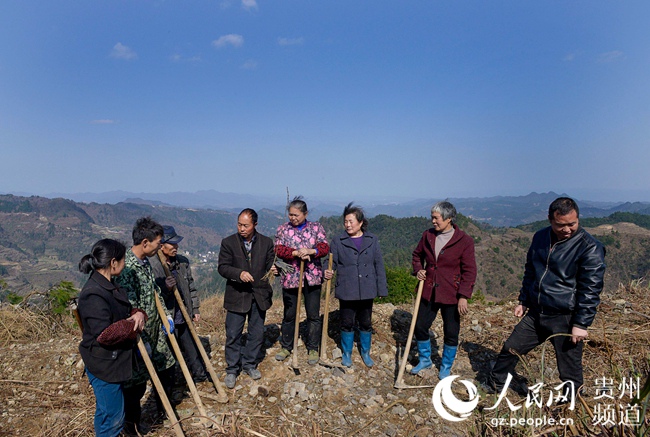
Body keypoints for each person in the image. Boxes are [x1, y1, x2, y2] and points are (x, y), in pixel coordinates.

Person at [487, 197, 606, 397]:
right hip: (537, 312)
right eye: (561, 225)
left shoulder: (589, 247)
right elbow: (531, 271)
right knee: (511, 348)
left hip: (565, 317)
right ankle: (496, 384)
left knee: (569, 369)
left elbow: (590, 289)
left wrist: (581, 323)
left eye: (572, 224)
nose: (567, 229)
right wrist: (523, 300)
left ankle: (570, 404)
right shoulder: (541, 237)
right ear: (550, 220)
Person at [78, 239, 147, 437]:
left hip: (115, 362)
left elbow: (124, 311)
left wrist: (138, 313)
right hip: (104, 365)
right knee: (112, 418)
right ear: (114, 262)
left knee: (111, 411)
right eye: (124, 260)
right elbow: (105, 334)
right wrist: (133, 322)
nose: (125, 264)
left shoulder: (110, 285)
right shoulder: (93, 294)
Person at [117, 217, 176, 435]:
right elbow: (129, 305)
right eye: (157, 243)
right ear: (144, 242)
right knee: (135, 386)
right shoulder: (128, 268)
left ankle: (165, 412)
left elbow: (154, 292)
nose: (160, 247)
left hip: (154, 331)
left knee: (167, 368)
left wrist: (166, 316)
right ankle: (130, 427)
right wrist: (137, 336)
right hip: (138, 337)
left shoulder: (146, 262)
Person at [411, 201, 477, 379]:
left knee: (451, 331)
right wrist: (419, 270)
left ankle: (446, 365)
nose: (432, 221)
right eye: (432, 217)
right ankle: (425, 359)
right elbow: (417, 255)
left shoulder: (464, 241)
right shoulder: (428, 236)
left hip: (452, 293)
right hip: (429, 290)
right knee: (420, 326)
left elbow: (469, 270)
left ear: (448, 219)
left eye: (436, 218)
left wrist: (464, 295)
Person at [324, 203, 388, 368]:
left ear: (360, 223)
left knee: (366, 322)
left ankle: (365, 352)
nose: (348, 225)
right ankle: (346, 354)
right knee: (347, 322)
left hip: (367, 288)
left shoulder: (372, 240)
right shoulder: (338, 241)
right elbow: (330, 261)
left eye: (351, 221)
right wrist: (327, 270)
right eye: (346, 221)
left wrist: (381, 288)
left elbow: (378, 265)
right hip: (347, 287)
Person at [218, 209, 276, 388]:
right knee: (233, 333)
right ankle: (232, 369)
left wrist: (275, 270)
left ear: (255, 225)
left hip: (259, 294)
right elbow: (223, 267)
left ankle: (249, 364)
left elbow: (270, 265)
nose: (241, 228)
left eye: (246, 225)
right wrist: (239, 273)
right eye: (239, 225)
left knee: (256, 333)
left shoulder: (266, 243)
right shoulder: (229, 243)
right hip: (237, 294)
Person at [274, 196, 330, 365]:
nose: (293, 218)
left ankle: (313, 348)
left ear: (305, 214)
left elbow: (324, 246)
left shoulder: (316, 228)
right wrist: (295, 253)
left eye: (296, 215)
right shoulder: (283, 230)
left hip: (312, 277)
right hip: (291, 277)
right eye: (290, 215)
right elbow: (278, 248)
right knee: (290, 314)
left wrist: (311, 251)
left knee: (313, 314)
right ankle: (286, 346)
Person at [149, 225, 208, 383]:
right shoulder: (153, 267)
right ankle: (170, 383)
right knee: (169, 352)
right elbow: (153, 295)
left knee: (191, 347)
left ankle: (200, 375)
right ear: (162, 246)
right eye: (172, 244)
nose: (176, 247)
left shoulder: (182, 263)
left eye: (176, 244)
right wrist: (166, 288)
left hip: (184, 314)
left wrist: (195, 308)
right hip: (167, 318)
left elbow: (191, 287)